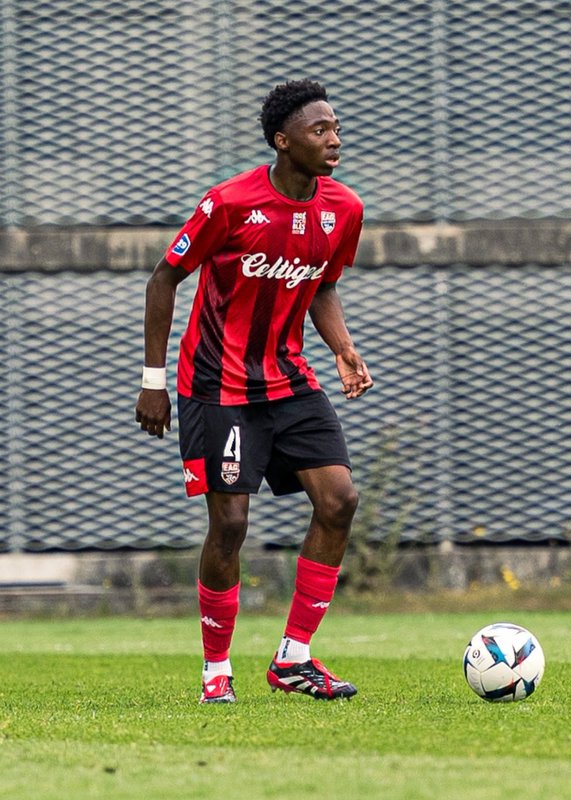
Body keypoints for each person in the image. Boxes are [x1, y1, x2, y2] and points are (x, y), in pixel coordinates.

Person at [135, 79, 373, 704]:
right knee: (232, 523)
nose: (334, 139)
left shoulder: (343, 209)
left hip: (288, 379)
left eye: (337, 128)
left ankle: (293, 659)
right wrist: (153, 381)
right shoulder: (230, 204)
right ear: (282, 141)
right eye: (319, 130)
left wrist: (344, 350)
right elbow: (166, 277)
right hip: (219, 384)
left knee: (340, 500)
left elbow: (320, 284)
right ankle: (217, 670)